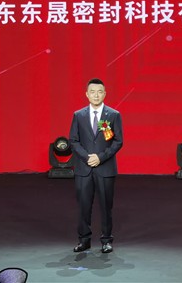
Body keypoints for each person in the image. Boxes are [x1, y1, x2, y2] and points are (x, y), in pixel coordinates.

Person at [69, 78, 124, 254]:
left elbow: (118, 141)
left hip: (105, 169)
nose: (96, 95)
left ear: (105, 94)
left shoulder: (113, 115)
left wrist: (100, 158)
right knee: (84, 206)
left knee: (106, 206)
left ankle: (106, 240)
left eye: (100, 92)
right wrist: (87, 158)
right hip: (84, 169)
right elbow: (73, 140)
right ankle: (84, 240)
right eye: (92, 92)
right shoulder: (78, 115)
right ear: (87, 94)